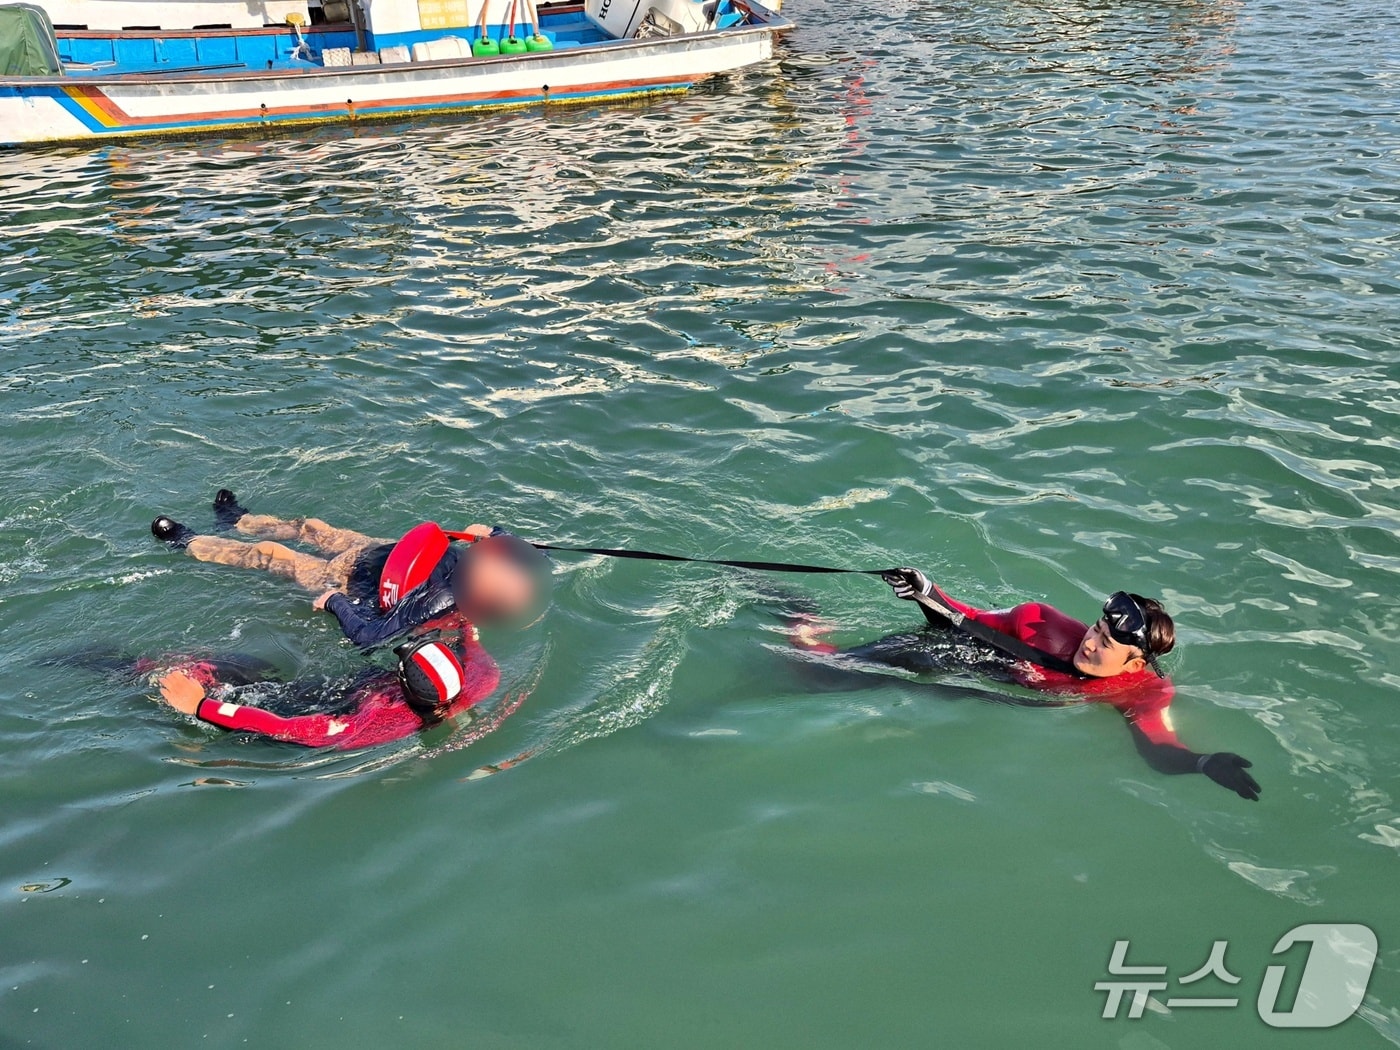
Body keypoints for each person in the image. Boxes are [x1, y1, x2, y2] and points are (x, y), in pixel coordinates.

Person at [792, 568, 1261, 801]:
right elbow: (965, 622)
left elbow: (1157, 748)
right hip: (947, 656)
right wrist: (927, 592)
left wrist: (1201, 762)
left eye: (1105, 643)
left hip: (970, 683)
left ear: (1136, 661)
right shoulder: (1042, 623)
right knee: (813, 673)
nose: (1090, 643)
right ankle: (799, 615)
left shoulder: (1141, 692)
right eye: (1095, 629)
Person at [151, 490, 549, 648]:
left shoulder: (435, 601)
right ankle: (240, 520)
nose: (484, 555)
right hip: (381, 551)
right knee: (313, 528)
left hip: (347, 581)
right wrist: (495, 532)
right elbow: (528, 552)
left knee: (271, 553)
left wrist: (336, 603)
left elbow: (371, 636)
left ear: (479, 598)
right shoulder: (501, 557)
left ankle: (188, 543)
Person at [146, 634, 498, 749]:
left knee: (237, 672)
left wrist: (201, 706)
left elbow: (285, 728)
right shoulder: (484, 678)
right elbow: (472, 642)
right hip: (360, 686)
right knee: (252, 666)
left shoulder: (376, 724)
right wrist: (464, 629)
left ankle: (119, 664)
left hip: (327, 705)